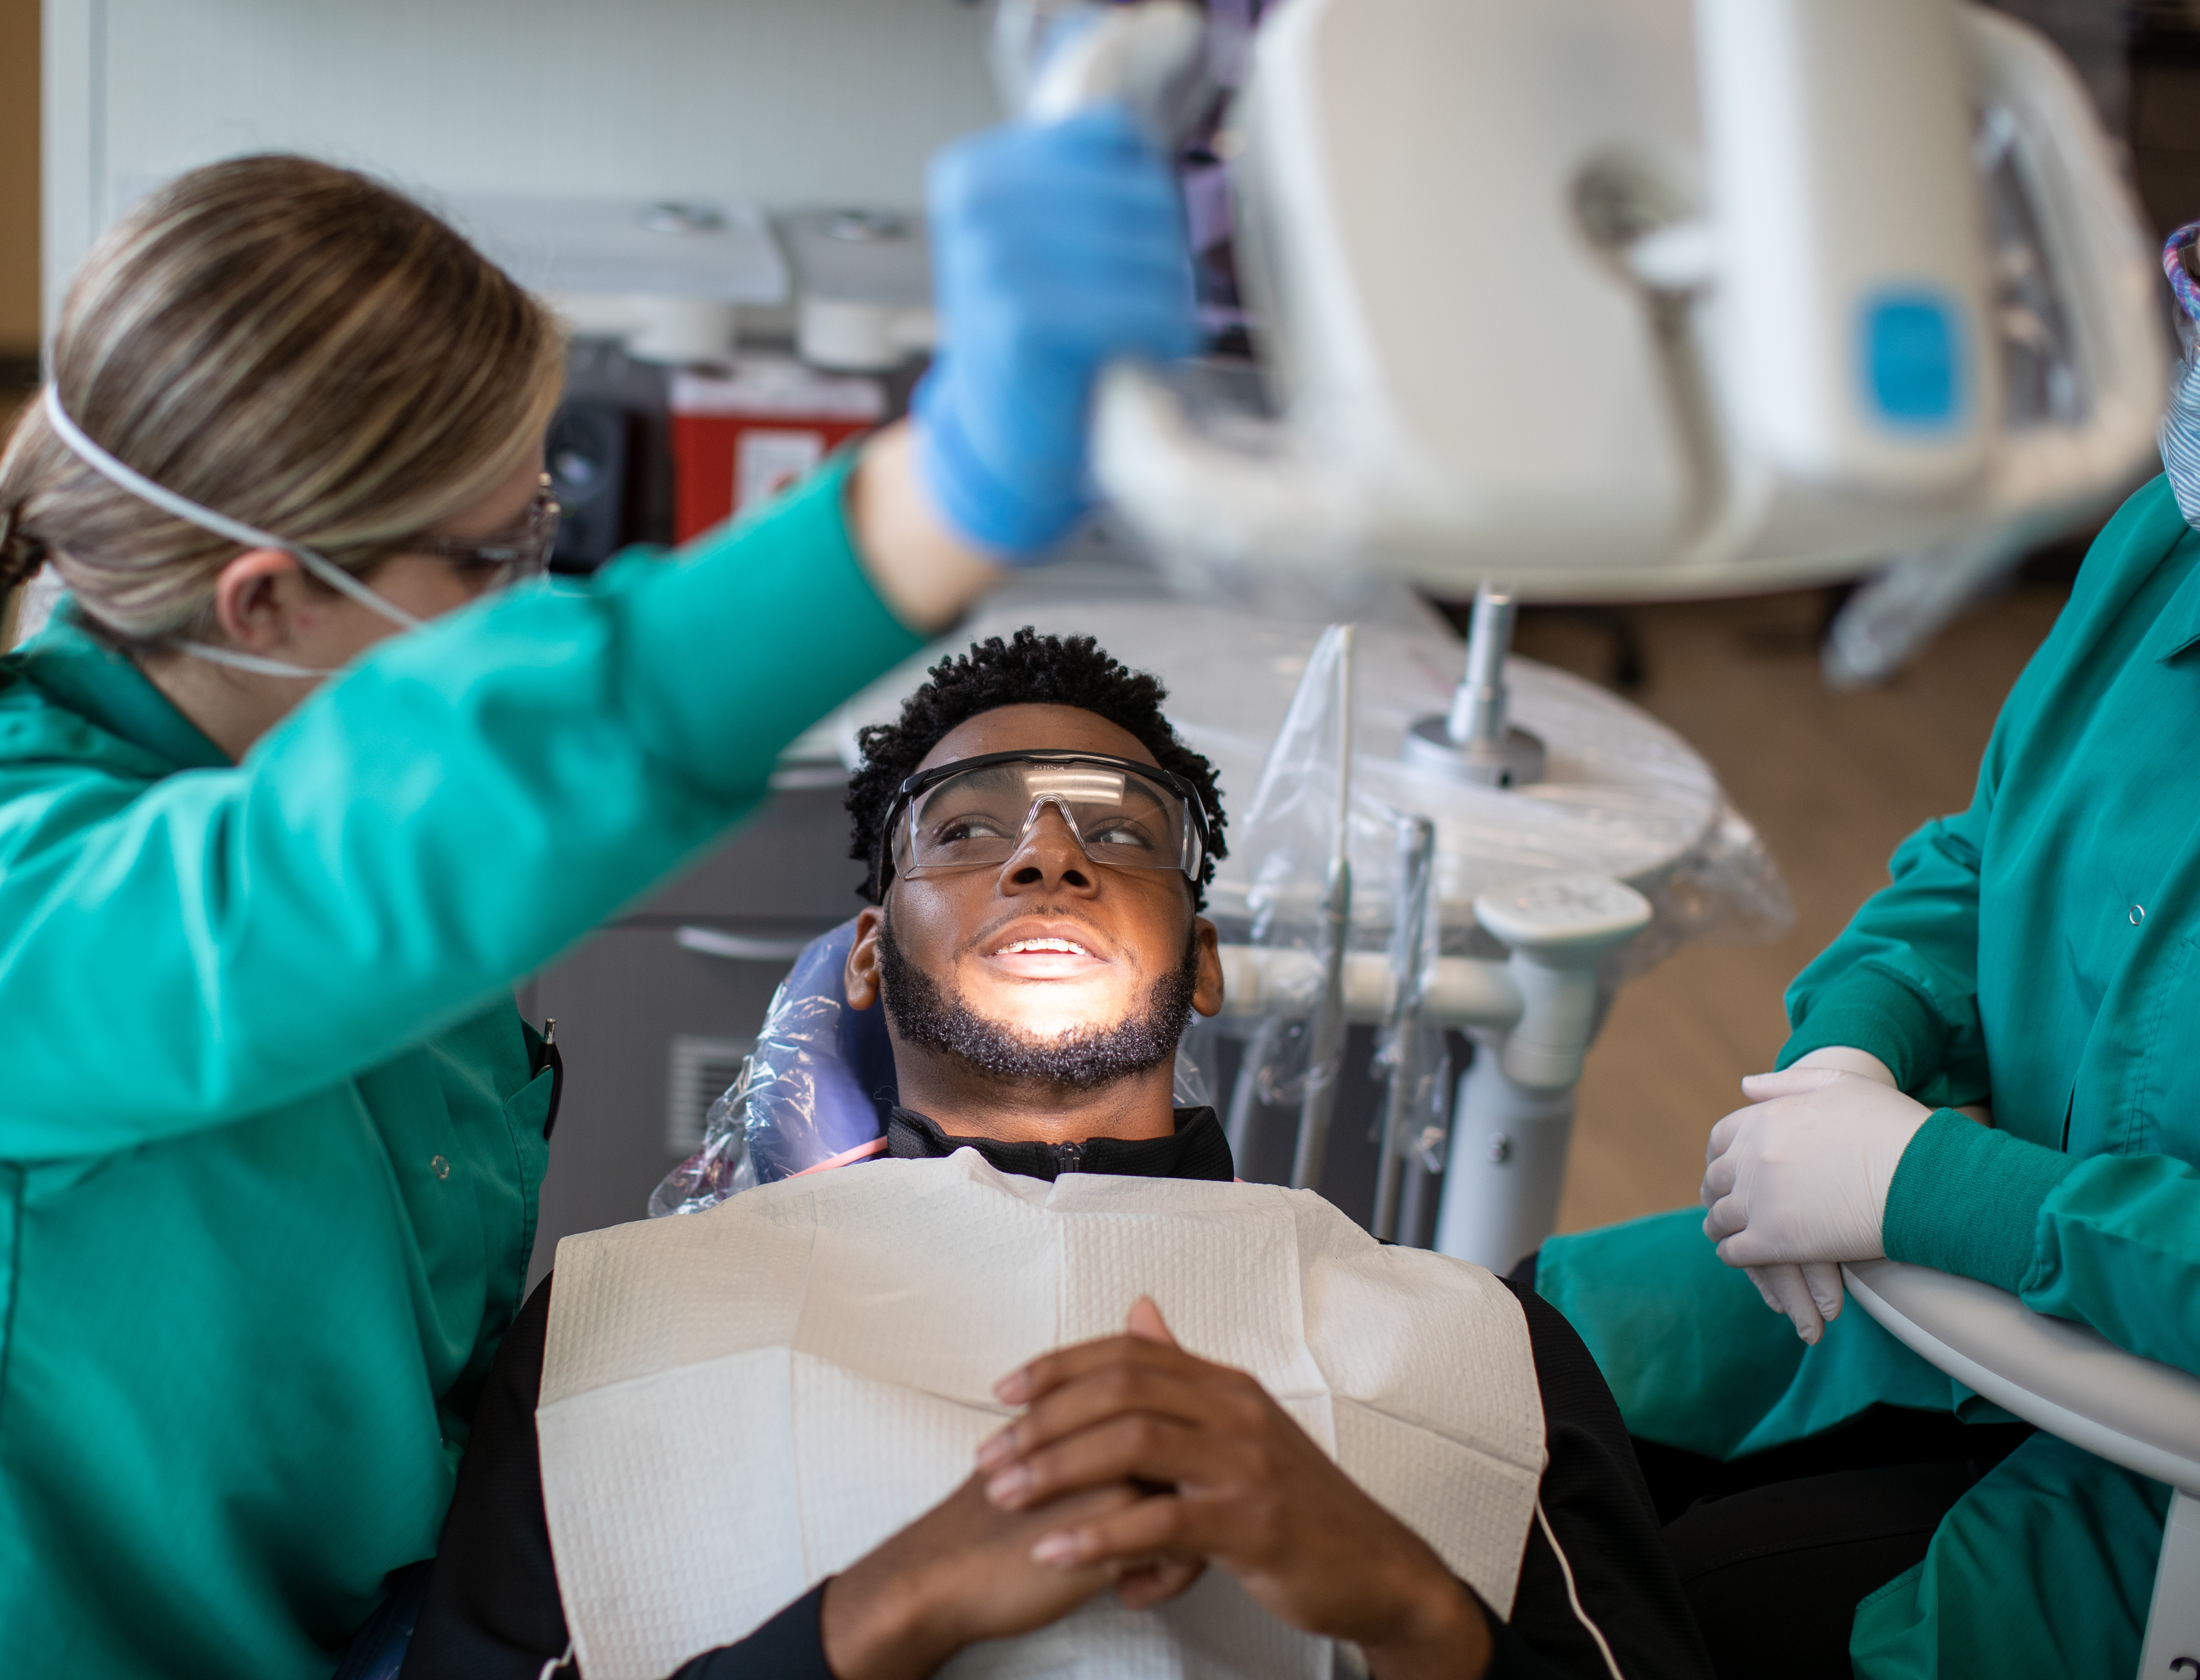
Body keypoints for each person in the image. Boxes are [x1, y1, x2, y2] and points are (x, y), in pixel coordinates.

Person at [0, 104, 1200, 1679]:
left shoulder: (279, 765)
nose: (525, 604)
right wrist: (937, 500)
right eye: (492, 560)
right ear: (263, 597)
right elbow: (399, 834)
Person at [407, 631, 1710, 1680]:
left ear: (1203, 964)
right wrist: (878, 1617)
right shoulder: (621, 1325)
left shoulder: (1481, 1347)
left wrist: (1412, 1612)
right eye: (967, 833)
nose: (1048, 855)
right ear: (869, 954)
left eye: (1122, 833)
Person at [1530, 220, 2200, 1680]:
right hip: (1963, 1309)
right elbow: (1987, 854)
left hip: (2156, 1483)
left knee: (1658, 1616)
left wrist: (1934, 1186)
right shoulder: (2172, 539)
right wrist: (1854, 1040)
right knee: (1505, 1361)